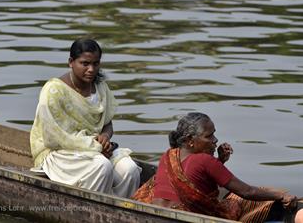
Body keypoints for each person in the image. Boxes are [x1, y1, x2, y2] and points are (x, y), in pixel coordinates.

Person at [132, 112, 297, 222]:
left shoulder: (168, 155)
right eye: (209, 136)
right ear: (190, 140)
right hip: (187, 218)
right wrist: (280, 196)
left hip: (156, 216)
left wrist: (219, 161)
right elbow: (247, 191)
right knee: (242, 199)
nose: (215, 140)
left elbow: (196, 181)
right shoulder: (205, 161)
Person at [30, 38, 141, 198]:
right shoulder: (54, 90)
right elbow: (53, 137)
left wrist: (105, 137)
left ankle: (117, 213)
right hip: (59, 151)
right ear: (71, 62)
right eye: (85, 63)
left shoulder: (100, 87)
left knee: (129, 169)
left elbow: (107, 124)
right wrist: (96, 147)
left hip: (96, 149)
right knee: (102, 166)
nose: (91, 69)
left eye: (95, 64)